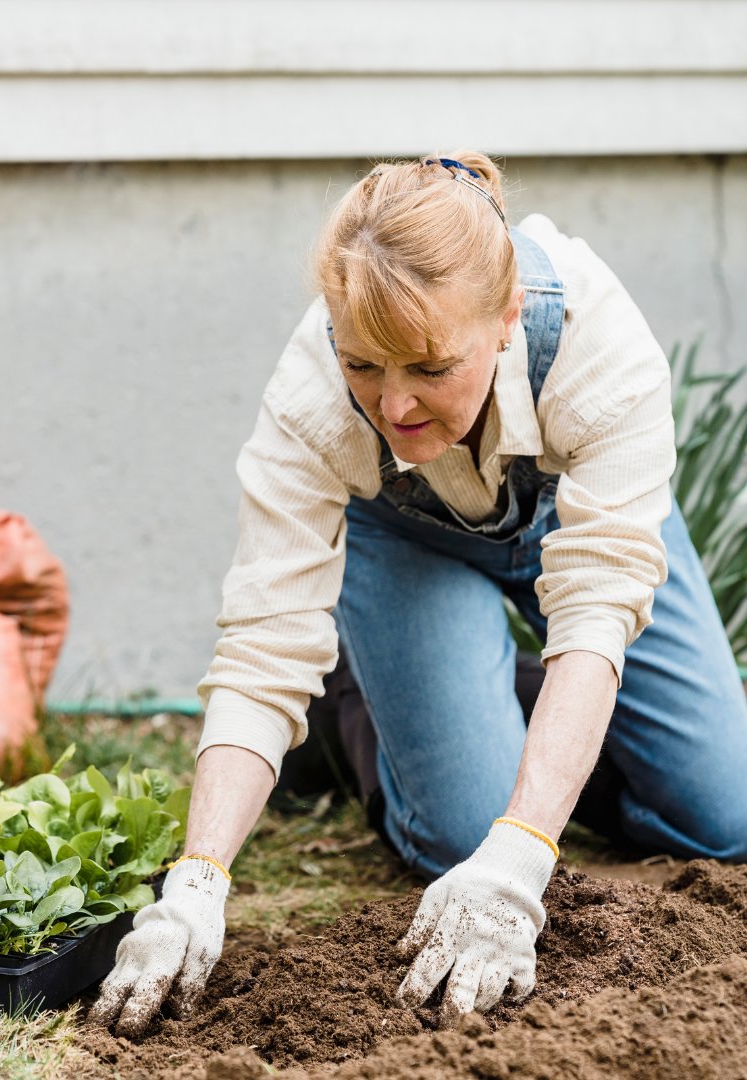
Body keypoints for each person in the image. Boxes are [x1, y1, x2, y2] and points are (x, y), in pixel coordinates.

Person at [90, 152, 747, 1036]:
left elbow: (595, 612)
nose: (394, 407)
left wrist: (525, 857)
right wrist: (196, 883)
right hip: (405, 544)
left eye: (430, 367)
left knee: (730, 815)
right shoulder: (311, 402)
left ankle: (498, 705)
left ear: (508, 318)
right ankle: (358, 709)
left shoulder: (595, 342)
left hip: (577, 529)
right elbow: (262, 650)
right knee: (466, 835)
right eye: (365, 364)